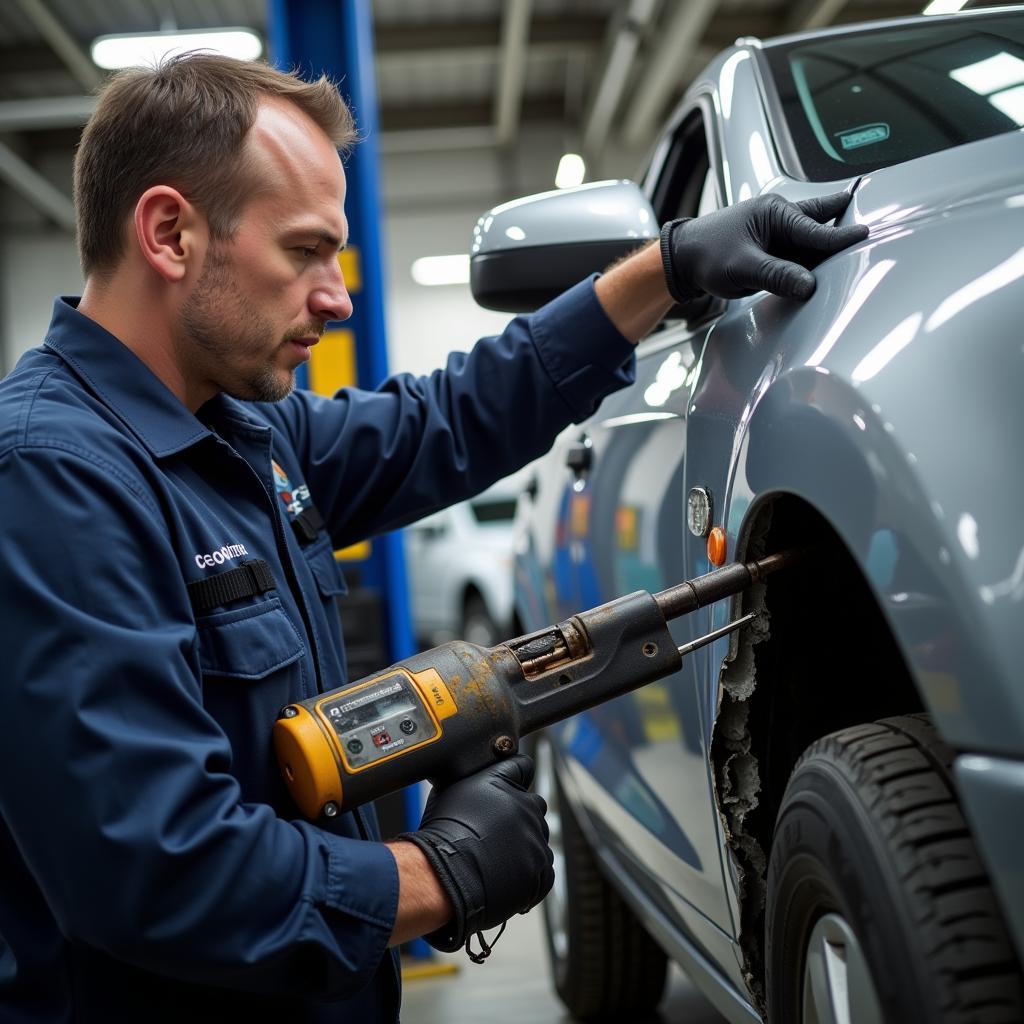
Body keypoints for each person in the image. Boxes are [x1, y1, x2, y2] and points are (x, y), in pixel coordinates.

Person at [0, 54, 867, 1023]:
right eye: (304, 251)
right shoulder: (49, 480)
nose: (337, 297)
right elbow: (153, 866)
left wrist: (663, 271)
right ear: (169, 234)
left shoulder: (242, 430)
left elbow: (448, 417)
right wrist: (436, 871)